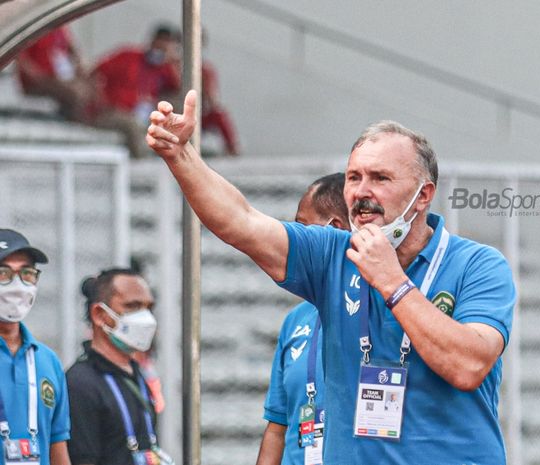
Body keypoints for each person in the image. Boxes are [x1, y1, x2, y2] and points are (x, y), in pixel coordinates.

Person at [146, 92, 516, 464]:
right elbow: (241, 222)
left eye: (380, 178)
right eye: (354, 177)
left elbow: (468, 366)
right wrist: (181, 155)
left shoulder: (478, 264)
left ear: (423, 196)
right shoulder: (332, 254)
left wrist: (393, 281)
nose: (361, 192)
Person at [257, 173, 350, 465]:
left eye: (301, 226)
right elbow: (277, 426)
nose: (293, 237)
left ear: (332, 229)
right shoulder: (296, 320)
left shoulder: (383, 310)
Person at [66, 268, 173, 465]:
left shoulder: (136, 374)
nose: (145, 318)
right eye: (132, 306)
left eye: (148, 307)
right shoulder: (80, 384)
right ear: (99, 314)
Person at [0, 229, 71, 465]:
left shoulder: (47, 361)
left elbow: (57, 445)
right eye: (4, 273)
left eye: (27, 274)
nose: (18, 284)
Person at [89, 25, 181, 158]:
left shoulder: (164, 69)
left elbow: (178, 89)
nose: (161, 51)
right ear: (153, 41)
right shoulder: (128, 56)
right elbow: (95, 74)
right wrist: (101, 101)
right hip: (113, 112)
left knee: (174, 115)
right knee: (133, 125)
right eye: (160, 46)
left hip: (142, 115)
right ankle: (141, 167)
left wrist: (172, 62)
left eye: (167, 49)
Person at [16, 25, 92, 121]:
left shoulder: (60, 27)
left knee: (89, 89)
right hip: (40, 81)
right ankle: (78, 123)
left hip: (63, 77)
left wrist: (80, 65)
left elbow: (72, 48)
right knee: (75, 93)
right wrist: (41, 78)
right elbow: (22, 60)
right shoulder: (32, 28)